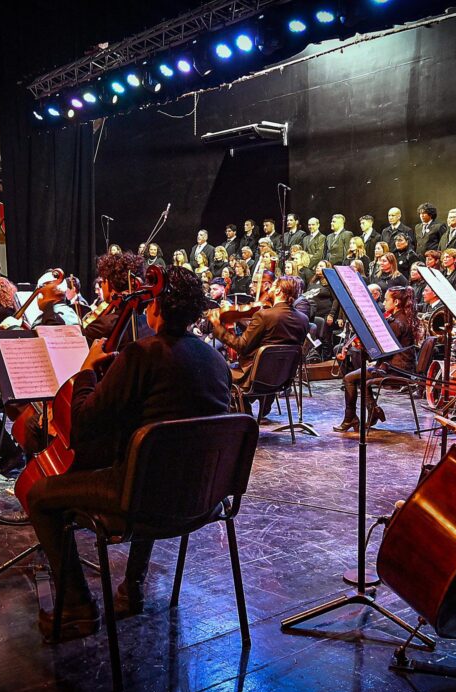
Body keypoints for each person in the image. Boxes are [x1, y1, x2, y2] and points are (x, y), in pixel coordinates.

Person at [26, 267, 231, 640]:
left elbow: (82, 424)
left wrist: (87, 371)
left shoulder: (141, 355)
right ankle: (132, 586)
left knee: (39, 495)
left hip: (145, 501)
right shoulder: (214, 360)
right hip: (205, 498)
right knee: (156, 463)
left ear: (155, 308)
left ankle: (76, 607)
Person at [209, 275, 309, 422]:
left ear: (279, 291)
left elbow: (241, 346)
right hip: (282, 378)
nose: (269, 289)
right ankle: (256, 408)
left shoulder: (264, 315)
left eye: (273, 286)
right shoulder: (303, 319)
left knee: (217, 370)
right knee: (267, 366)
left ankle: (243, 415)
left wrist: (218, 328)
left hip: (255, 376)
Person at [334, 286, 419, 432]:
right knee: (360, 377)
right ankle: (372, 410)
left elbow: (383, 352)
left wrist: (364, 349)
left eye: (386, 300)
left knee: (349, 378)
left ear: (396, 302)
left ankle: (351, 418)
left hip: (394, 369)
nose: (384, 303)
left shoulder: (397, 323)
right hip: (400, 366)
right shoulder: (404, 318)